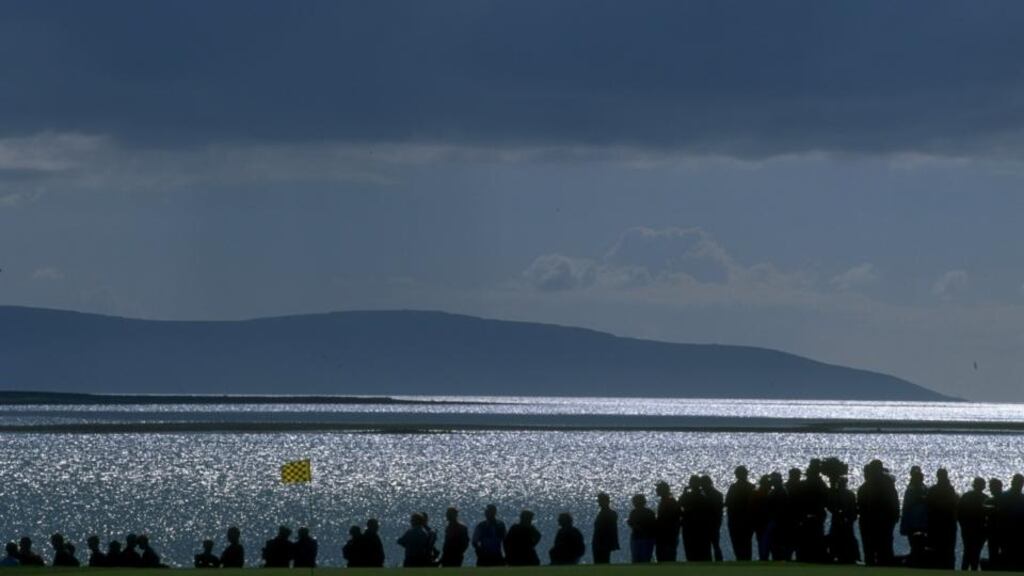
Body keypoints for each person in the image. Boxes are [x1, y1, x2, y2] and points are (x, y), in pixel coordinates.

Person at [857, 460, 899, 566]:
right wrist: (895, 516)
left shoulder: (865, 487)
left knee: (870, 547)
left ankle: (872, 563)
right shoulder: (888, 484)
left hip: (870, 520)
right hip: (884, 520)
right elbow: (894, 501)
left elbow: (861, 505)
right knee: (885, 546)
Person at [926, 468, 959, 570]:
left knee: (936, 549)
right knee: (948, 550)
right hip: (948, 524)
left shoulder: (933, 490)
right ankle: (949, 568)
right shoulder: (950, 490)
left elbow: (929, 506)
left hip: (936, 524)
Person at [826, 476, 860, 564]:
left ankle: (836, 555)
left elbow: (830, 505)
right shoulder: (850, 494)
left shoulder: (835, 493)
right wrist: (851, 517)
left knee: (836, 537)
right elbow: (854, 508)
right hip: (846, 520)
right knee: (847, 538)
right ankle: (849, 556)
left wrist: (837, 511)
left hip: (839, 519)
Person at [726, 466, 756, 561]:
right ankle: (746, 560)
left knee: (737, 542)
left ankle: (740, 559)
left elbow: (727, 502)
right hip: (747, 520)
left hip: (736, 520)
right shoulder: (751, 487)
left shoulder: (733, 488)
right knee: (746, 543)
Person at [900, 465, 928, 562]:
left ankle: (916, 559)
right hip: (918, 522)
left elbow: (906, 506)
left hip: (916, 522)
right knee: (917, 543)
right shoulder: (920, 489)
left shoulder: (913, 489)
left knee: (916, 543)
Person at [959, 477, 987, 571]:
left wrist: (962, 524)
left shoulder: (966, 496)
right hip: (979, 530)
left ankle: (965, 569)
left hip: (967, 528)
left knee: (967, 551)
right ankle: (973, 569)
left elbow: (959, 512)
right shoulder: (985, 498)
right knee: (975, 553)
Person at [680, 475, 710, 562]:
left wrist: (684, 492)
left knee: (690, 549)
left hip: (689, 526)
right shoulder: (704, 497)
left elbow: (679, 505)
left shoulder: (688, 496)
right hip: (700, 526)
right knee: (701, 549)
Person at [654, 481, 680, 562]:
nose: (656, 490)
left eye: (658, 488)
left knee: (666, 556)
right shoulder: (667, 501)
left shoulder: (669, 501)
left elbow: (674, 517)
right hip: (666, 534)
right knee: (664, 556)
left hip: (667, 534)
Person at [701, 475, 725, 562]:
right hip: (714, 524)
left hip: (710, 524)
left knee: (710, 545)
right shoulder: (718, 494)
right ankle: (718, 561)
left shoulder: (704, 496)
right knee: (715, 545)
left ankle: (711, 561)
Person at [627, 493, 656, 563]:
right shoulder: (649, 512)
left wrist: (633, 524)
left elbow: (632, 523)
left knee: (637, 558)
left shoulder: (634, 512)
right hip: (645, 538)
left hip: (640, 538)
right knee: (645, 558)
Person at [592, 492, 619, 564]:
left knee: (601, 560)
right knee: (603, 560)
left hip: (602, 542)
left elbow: (608, 529)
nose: (599, 503)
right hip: (602, 541)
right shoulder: (610, 513)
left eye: (600, 501)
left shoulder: (607, 513)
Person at [986, 478, 1005, 569]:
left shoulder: (989, 501)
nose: (990, 489)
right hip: (1005, 531)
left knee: (993, 554)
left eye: (991, 487)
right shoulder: (1006, 500)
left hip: (993, 532)